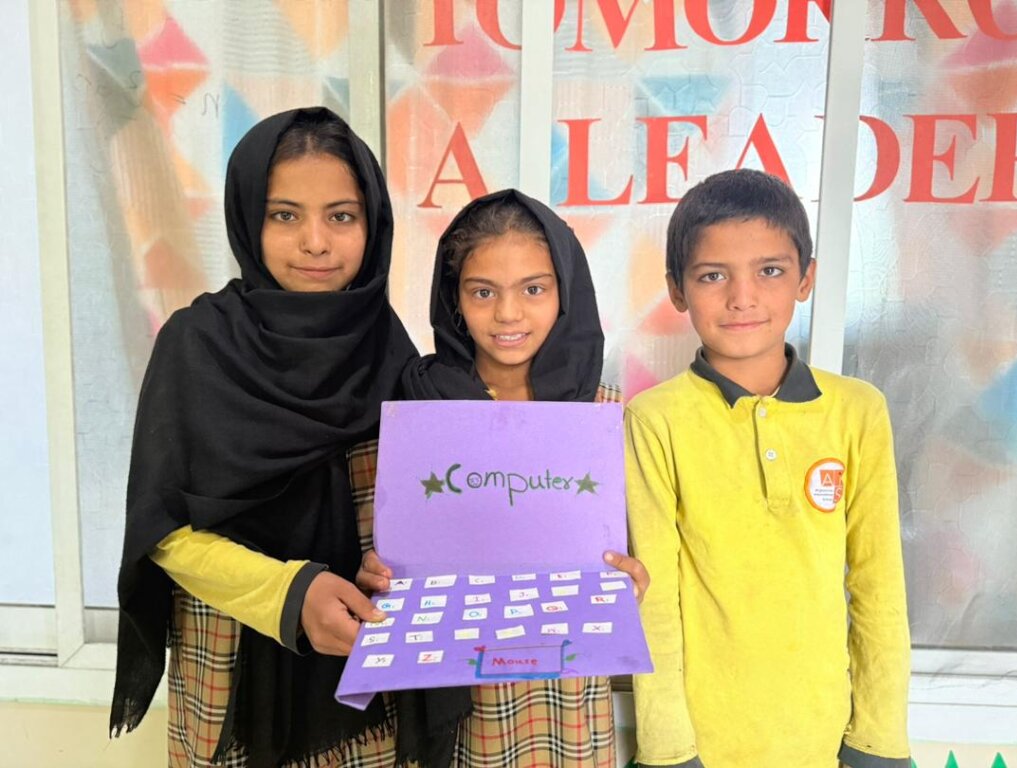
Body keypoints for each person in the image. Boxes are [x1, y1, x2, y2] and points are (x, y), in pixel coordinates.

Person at [110, 107, 420, 768]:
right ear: (249, 219)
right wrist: (290, 593)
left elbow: (419, 517)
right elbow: (162, 532)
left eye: (342, 216)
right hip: (231, 682)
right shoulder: (198, 346)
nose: (315, 242)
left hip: (369, 680)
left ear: (373, 223)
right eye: (284, 215)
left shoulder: (392, 352)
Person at [625, 169, 911, 768]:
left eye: (770, 271)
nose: (742, 297)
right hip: (703, 745)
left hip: (827, 741)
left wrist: (878, 740)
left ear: (806, 278)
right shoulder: (653, 420)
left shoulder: (857, 411)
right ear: (677, 289)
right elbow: (655, 602)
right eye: (712, 276)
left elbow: (878, 584)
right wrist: (668, 748)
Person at [358, 189, 649, 767]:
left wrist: (635, 578)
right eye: (483, 291)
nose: (508, 314)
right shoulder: (417, 406)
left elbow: (629, 554)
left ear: (566, 293)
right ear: (454, 299)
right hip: (456, 697)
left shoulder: (604, 414)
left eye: (533, 289)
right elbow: (383, 543)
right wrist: (376, 568)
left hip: (564, 701)